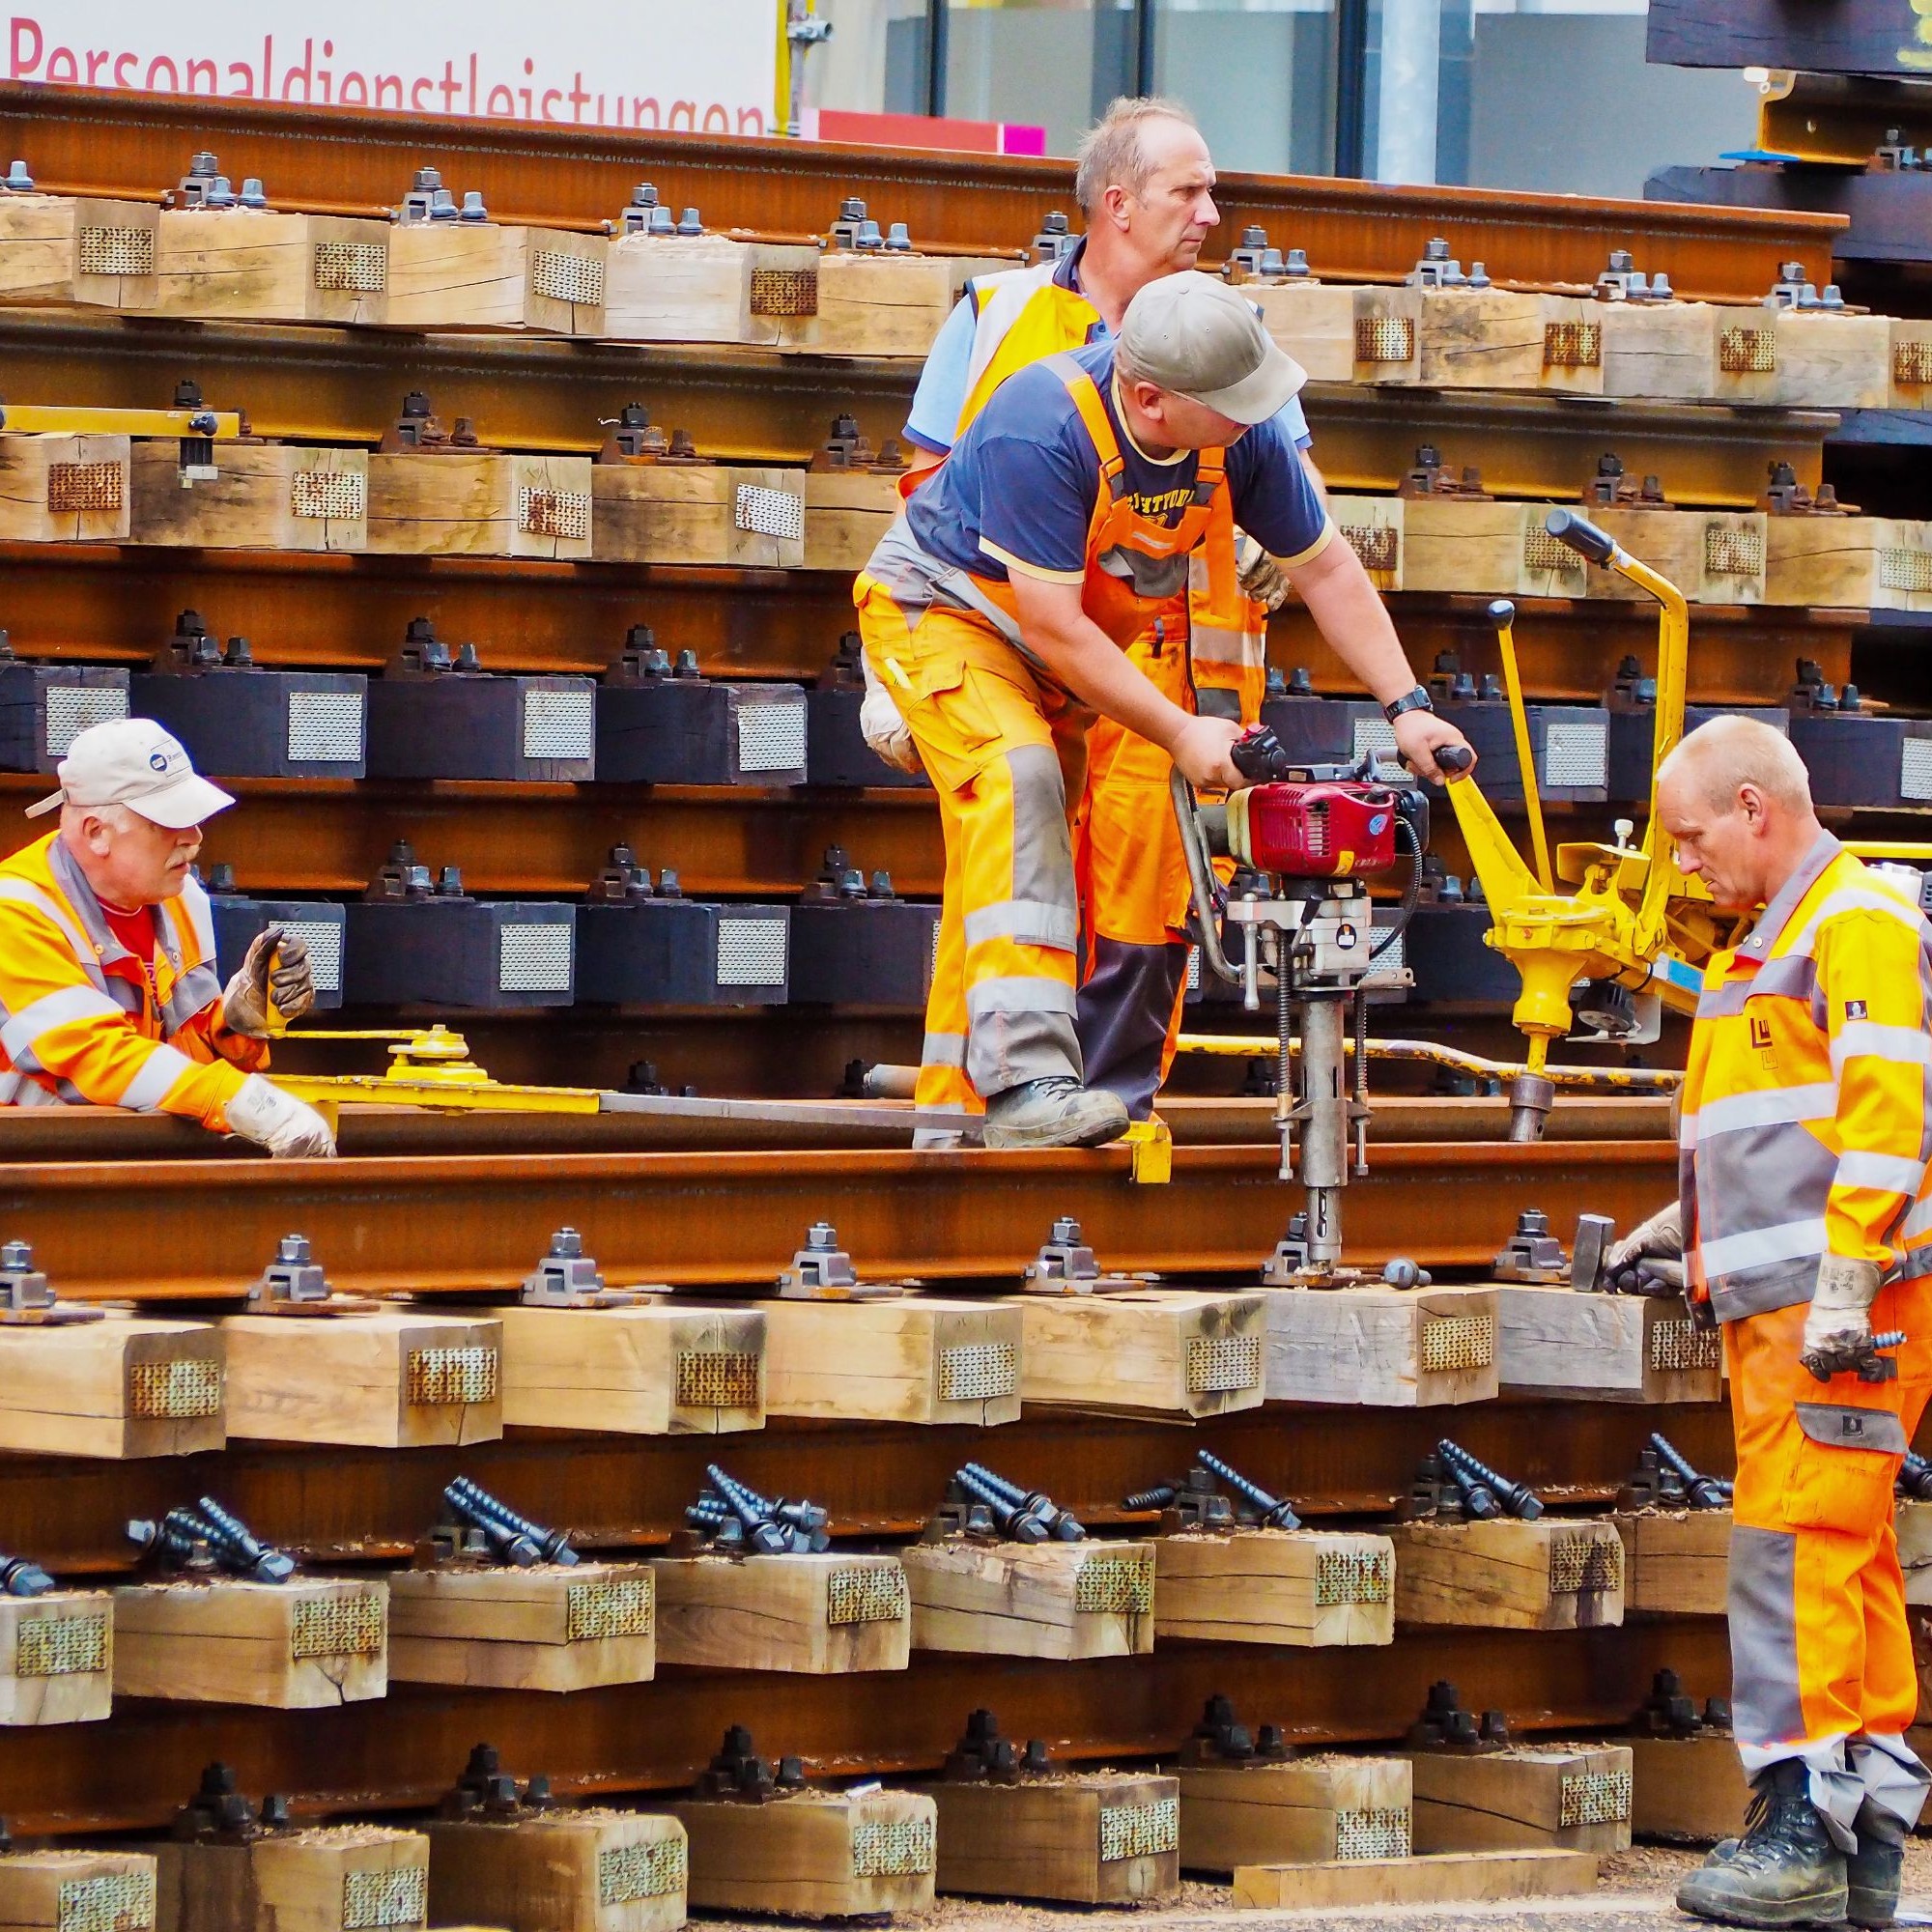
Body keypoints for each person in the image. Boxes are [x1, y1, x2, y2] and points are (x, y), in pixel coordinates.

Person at [854, 270, 1468, 1150]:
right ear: (1150, 401)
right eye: (1233, 406)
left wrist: (1407, 706)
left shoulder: (1236, 439)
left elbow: (1324, 566)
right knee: (1020, 780)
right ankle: (1028, 1081)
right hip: (941, 616)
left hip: (1046, 651)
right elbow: (1057, 627)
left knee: (1016, 863)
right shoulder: (1047, 424)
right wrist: (1181, 733)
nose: (1252, 422)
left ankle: (955, 1126)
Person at [867, 96, 1312, 1135]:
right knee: (1012, 870)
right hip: (1039, 649)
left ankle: (1095, 1140)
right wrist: (902, 677)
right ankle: (975, 1116)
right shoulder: (997, 319)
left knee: (1143, 918)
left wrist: (1271, 553)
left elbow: (1303, 518)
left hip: (1177, 687)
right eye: (1189, 190)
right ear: (1117, 202)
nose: (1212, 211)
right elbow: (929, 506)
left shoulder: (1227, 339)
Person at [1606, 715, 1932, 1930]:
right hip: (1793, 1305)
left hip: (1838, 1309)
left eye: (1690, 837)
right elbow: (1789, 1130)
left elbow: (1889, 1101)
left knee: (1791, 1544)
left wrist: (1848, 1280)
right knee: (1839, 1552)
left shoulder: (1850, 919)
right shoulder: (1779, 940)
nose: (1681, 862)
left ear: (1752, 808)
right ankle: (1863, 1833)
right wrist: (1676, 1225)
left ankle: (1798, 1815)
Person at [0, 718, 335, 1156]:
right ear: (96, 832)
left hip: (114, 1160)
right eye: (168, 821)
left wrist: (233, 1024)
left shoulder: (181, 896)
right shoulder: (17, 911)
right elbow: (95, 1057)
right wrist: (246, 1101)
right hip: (28, 1170)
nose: (194, 838)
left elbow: (174, 1055)